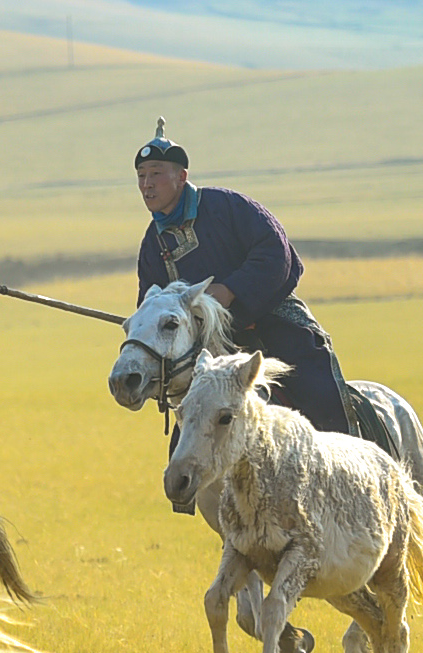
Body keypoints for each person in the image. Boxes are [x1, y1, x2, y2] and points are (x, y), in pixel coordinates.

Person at [134, 118, 356, 437]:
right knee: (190, 443)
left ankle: (352, 463)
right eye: (141, 176)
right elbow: (152, 303)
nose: (147, 184)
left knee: (318, 393)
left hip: (274, 322)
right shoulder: (152, 245)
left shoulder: (227, 206)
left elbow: (274, 250)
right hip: (212, 348)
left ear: (181, 177)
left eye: (156, 173)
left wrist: (232, 289)